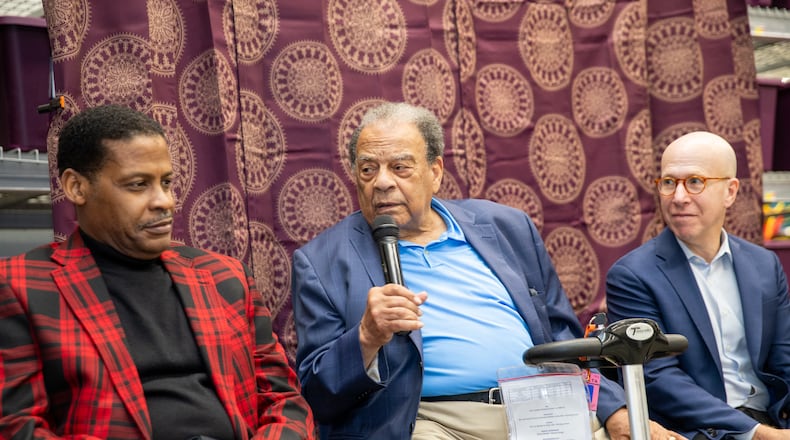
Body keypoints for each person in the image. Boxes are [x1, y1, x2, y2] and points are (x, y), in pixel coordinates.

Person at [291, 101, 683, 439]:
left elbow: (562, 336)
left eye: (400, 167)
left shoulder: (505, 227)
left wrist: (613, 410)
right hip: (433, 421)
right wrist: (366, 337)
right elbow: (317, 393)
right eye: (367, 170)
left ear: (436, 171)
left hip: (546, 409)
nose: (382, 183)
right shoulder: (324, 261)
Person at [0, 104, 315, 440]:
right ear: (77, 188)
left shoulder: (226, 277)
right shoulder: (21, 286)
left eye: (166, 182)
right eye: (138, 185)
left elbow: (283, 400)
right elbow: (16, 428)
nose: (164, 201)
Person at [606, 131, 790, 439]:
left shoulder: (764, 265)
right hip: (700, 430)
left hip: (773, 419)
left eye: (695, 182)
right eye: (668, 183)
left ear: (730, 192)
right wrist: (757, 433)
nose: (678, 198)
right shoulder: (633, 275)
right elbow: (658, 379)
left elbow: (784, 358)